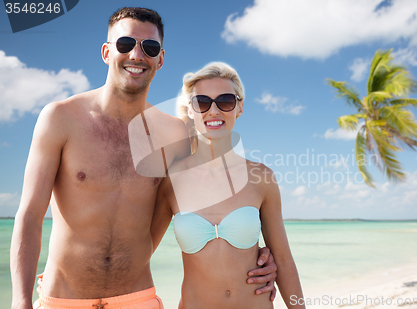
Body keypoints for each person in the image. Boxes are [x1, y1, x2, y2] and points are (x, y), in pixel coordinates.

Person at [10, 7, 277, 309]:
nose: (137, 55)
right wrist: (21, 301)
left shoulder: (175, 134)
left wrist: (258, 255)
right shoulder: (60, 118)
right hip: (63, 299)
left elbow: (210, 205)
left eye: (149, 47)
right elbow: (30, 216)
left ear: (160, 59)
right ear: (106, 52)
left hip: (139, 299)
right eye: (125, 44)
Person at [150, 62, 305, 309]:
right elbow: (140, 254)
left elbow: (284, 260)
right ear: (191, 109)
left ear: (239, 107)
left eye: (225, 101)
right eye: (202, 102)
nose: (213, 111)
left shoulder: (261, 177)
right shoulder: (171, 182)